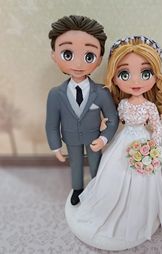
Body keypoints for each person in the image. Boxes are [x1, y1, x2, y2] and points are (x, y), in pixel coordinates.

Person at [65, 35, 162, 250]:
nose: (136, 81)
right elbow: (116, 121)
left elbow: (157, 127)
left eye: (145, 73)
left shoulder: (150, 107)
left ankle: (136, 213)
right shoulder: (122, 103)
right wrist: (103, 128)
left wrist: (154, 145)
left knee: (141, 180)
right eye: (125, 73)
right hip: (123, 140)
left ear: (155, 76)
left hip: (143, 140)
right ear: (115, 77)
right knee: (113, 172)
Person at [45, 15, 119, 205]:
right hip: (70, 138)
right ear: (54, 54)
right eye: (67, 54)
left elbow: (112, 118)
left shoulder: (101, 92)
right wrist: (55, 146)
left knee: (96, 164)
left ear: (99, 58)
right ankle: (77, 189)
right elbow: (52, 124)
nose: (78, 65)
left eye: (88, 56)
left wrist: (103, 138)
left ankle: (97, 188)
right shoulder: (56, 94)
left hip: (94, 138)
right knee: (75, 164)